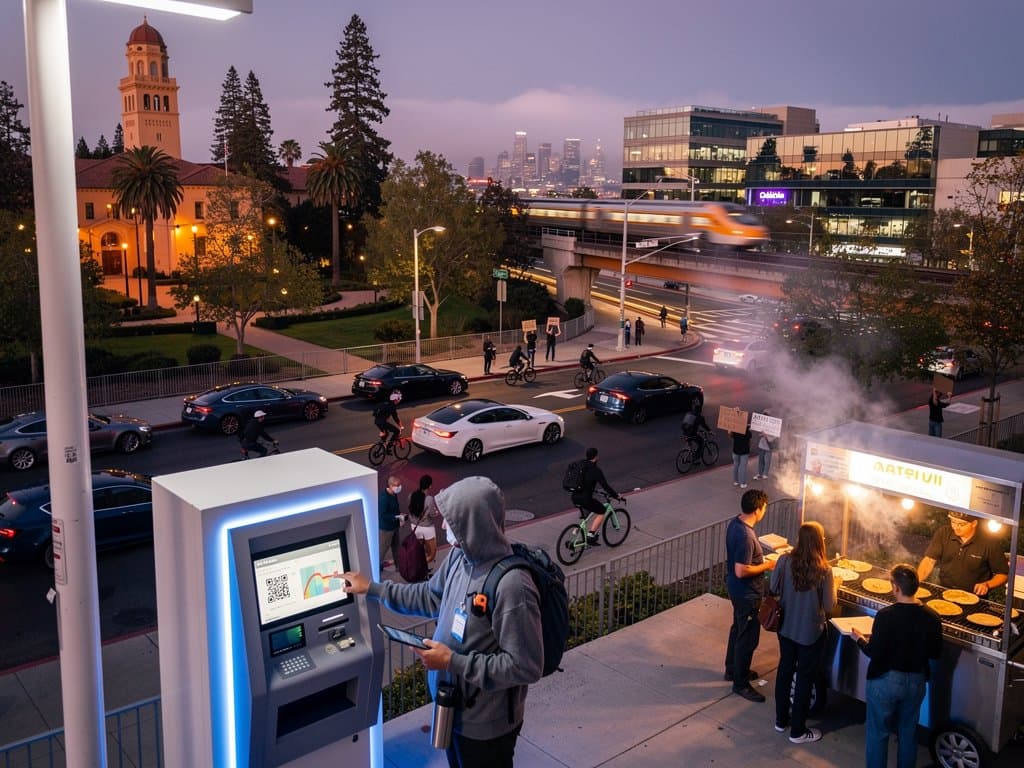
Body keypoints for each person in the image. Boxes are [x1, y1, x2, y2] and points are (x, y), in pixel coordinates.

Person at [343, 476, 543, 768]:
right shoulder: (459, 558)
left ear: (472, 524)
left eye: (451, 521)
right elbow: (428, 597)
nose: (444, 527)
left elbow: (525, 666)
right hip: (454, 709)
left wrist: (452, 661)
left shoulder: (513, 586)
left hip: (487, 727)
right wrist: (372, 589)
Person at [851, 564, 943, 768]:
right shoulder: (932, 617)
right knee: (908, 733)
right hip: (916, 681)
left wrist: (859, 639)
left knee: (878, 733)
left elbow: (873, 652)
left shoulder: (886, 615)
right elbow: (936, 653)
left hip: (885, 681)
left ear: (896, 588)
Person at [770, 521, 838, 744]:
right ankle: (798, 731)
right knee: (804, 679)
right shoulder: (824, 570)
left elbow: (773, 587)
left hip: (785, 629)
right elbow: (829, 605)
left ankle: (781, 721)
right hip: (810, 634)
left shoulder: (784, 560)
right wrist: (835, 586)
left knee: (785, 672)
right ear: (820, 542)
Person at [724, 488, 776, 702]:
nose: (765, 511)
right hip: (746, 593)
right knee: (747, 639)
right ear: (757, 509)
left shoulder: (735, 523)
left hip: (737, 590)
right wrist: (767, 565)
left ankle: (733, 670)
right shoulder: (746, 536)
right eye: (764, 508)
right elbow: (741, 570)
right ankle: (741, 683)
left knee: (738, 630)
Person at [917, 510, 1008, 595]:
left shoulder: (989, 542)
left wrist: (987, 585)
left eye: (961, 524)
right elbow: (929, 560)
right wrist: (916, 583)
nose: (956, 527)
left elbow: (1003, 574)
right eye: (953, 522)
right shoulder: (944, 533)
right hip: (944, 590)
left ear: (974, 523)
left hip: (973, 595)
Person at [570, 447, 621, 545]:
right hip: (585, 498)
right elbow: (605, 486)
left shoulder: (580, 464)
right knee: (602, 511)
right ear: (596, 457)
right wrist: (616, 496)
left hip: (575, 496)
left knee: (587, 512)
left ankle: (578, 530)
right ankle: (591, 535)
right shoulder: (595, 470)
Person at [409, 474, 440, 565]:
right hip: (427, 528)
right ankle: (420, 566)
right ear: (430, 486)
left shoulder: (412, 495)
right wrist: (437, 512)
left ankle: (417, 565)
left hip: (414, 526)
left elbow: (411, 509)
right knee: (432, 554)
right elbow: (433, 514)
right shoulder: (429, 499)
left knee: (420, 550)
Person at [377, 475, 403, 570]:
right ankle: (376, 567)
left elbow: (395, 507)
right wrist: (397, 517)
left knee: (396, 547)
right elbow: (383, 515)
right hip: (386, 529)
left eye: (400, 484)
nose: (399, 487)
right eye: (397, 485)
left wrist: (400, 516)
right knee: (383, 549)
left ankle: (399, 566)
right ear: (391, 486)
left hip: (394, 525)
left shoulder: (393, 494)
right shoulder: (384, 498)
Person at [730, 422, 752, 488]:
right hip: (745, 451)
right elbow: (749, 442)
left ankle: (735, 481)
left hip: (735, 450)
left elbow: (731, 436)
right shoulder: (748, 432)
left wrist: (730, 431)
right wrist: (749, 448)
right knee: (743, 467)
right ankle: (742, 483)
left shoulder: (735, 430)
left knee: (736, 465)